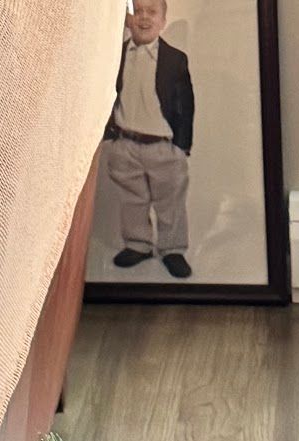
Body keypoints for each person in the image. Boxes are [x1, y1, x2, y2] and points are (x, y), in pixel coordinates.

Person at [103, 1, 196, 280]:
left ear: (163, 21)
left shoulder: (175, 59)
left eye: (152, 12)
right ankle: (138, 244)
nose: (144, 18)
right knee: (133, 199)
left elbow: (185, 103)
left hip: (163, 145)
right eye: (138, 11)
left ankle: (173, 249)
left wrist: (182, 145)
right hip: (126, 142)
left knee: (170, 201)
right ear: (127, 19)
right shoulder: (115, 56)